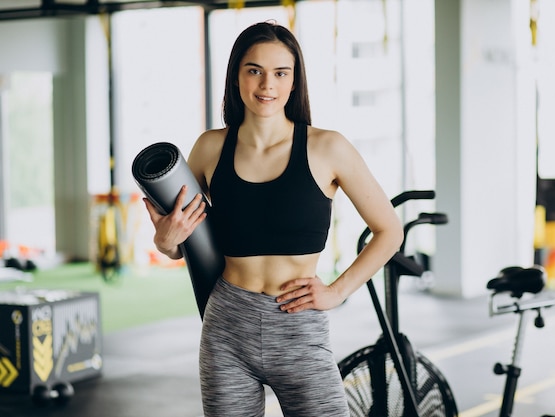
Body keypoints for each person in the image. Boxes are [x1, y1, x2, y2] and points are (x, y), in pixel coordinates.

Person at [143, 21, 403, 417]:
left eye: (281, 72)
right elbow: (178, 244)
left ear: (295, 80)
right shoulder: (210, 147)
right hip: (227, 326)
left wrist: (336, 292)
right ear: (237, 76)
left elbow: (390, 232)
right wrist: (166, 240)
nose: (267, 84)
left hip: (298, 328)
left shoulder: (327, 147)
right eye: (255, 70)